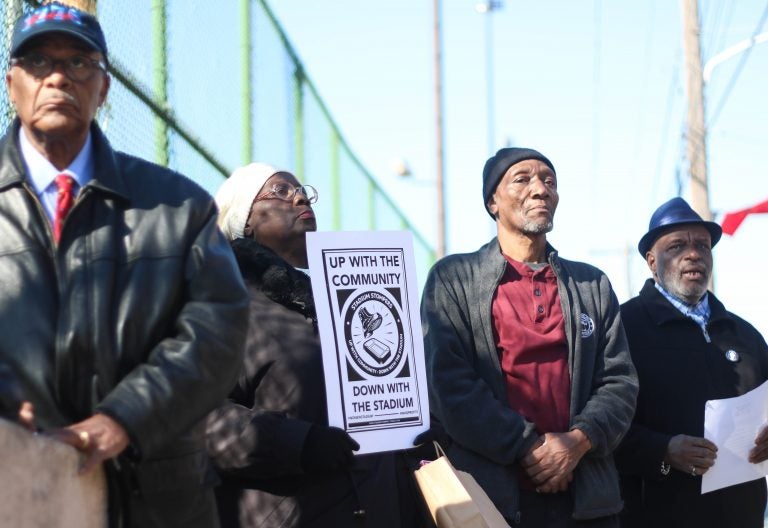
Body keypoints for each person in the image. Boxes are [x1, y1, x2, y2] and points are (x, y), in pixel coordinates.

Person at [0, 3, 249, 526]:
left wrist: (124, 418)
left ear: (104, 88)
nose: (59, 77)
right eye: (40, 62)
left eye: (79, 63)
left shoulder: (178, 205)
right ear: (12, 83)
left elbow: (217, 328)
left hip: (156, 498)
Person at [420, 147, 638, 527]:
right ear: (493, 202)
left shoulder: (592, 284)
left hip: (586, 501)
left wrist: (577, 441)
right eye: (522, 179)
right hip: (490, 502)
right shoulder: (453, 278)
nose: (541, 189)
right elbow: (449, 386)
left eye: (549, 181)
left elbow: (619, 382)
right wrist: (529, 446)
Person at [206, 163, 425, 528]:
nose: (300, 196)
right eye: (279, 190)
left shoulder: (349, 299)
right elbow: (196, 419)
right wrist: (298, 443)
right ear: (246, 221)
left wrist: (418, 426)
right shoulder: (221, 302)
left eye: (302, 189)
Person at [615, 197, 768, 528]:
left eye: (703, 245)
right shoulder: (622, 329)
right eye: (677, 246)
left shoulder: (746, 335)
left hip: (742, 515)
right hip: (656, 515)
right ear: (652, 262)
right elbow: (600, 428)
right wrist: (664, 452)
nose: (694, 253)